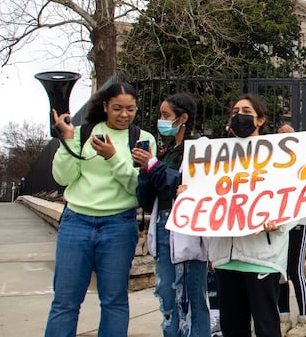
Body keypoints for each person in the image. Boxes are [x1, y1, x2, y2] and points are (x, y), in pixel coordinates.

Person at [46, 82, 157, 337]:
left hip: (118, 225)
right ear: (105, 106)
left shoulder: (142, 139)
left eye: (130, 109)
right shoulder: (83, 133)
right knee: (65, 301)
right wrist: (68, 139)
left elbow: (137, 188)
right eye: (117, 108)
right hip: (76, 222)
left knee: (114, 300)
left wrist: (113, 157)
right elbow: (63, 177)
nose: (124, 115)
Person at [205, 93, 296, 337]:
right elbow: (207, 201)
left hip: (261, 258)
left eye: (246, 112)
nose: (239, 117)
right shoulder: (216, 158)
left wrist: (279, 222)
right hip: (225, 258)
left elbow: (298, 196)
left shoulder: (277, 157)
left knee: (267, 328)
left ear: (260, 120)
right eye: (235, 112)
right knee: (233, 329)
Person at [133, 93, 210, 337]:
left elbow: (185, 185)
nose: (161, 120)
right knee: (166, 292)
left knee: (190, 295)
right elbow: (147, 199)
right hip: (162, 223)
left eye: (166, 115)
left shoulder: (199, 147)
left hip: (186, 228)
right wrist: (146, 171)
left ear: (183, 118)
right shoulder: (168, 151)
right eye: (160, 115)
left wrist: (155, 166)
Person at [273, 123, 306, 337]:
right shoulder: (271, 164)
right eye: (280, 135)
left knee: (295, 270)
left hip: (299, 223)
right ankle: (283, 317)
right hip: (280, 225)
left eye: (288, 136)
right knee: (281, 272)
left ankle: (305, 319)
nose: (284, 139)